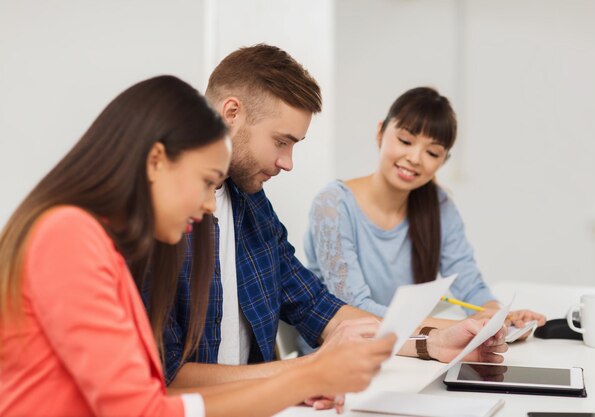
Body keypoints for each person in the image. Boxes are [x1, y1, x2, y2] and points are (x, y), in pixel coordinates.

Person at [0, 75, 397, 417]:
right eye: (206, 182)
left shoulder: (101, 243)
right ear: (157, 160)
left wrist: (301, 381)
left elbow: (154, 398)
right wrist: (306, 376)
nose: (210, 204)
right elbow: (143, 411)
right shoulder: (68, 236)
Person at [162, 45, 508, 409]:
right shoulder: (165, 220)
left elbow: (318, 307)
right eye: (282, 141)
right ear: (231, 112)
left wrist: (432, 342)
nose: (288, 162)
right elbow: (166, 377)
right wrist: (308, 371)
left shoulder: (251, 204)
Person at [302, 87, 546, 349]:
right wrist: (452, 330)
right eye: (405, 141)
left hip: (409, 351)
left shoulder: (439, 206)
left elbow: (470, 285)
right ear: (380, 132)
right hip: (342, 356)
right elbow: (355, 307)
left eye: (432, 153)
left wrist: (499, 317)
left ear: (443, 160)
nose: (415, 158)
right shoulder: (333, 205)